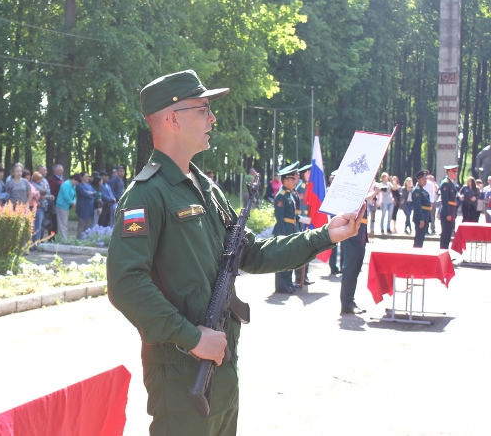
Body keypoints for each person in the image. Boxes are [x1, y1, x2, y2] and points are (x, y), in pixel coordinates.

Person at [106, 70, 361, 436]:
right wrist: (192, 337)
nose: (212, 118)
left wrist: (325, 235)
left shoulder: (207, 189)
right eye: (203, 109)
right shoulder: (146, 195)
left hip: (221, 365)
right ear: (172, 118)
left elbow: (252, 253)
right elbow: (126, 284)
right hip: (181, 372)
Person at [340, 186, 378, 314]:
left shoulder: (359, 194)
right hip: (353, 240)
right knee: (350, 270)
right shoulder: (353, 193)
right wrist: (375, 192)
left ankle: (349, 300)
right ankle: (346, 303)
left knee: (354, 271)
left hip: (359, 239)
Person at [272, 162, 301, 293]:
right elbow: (280, 218)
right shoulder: (281, 196)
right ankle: (281, 285)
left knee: (289, 257)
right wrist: (283, 235)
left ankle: (288, 282)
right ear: (286, 180)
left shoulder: (290, 194)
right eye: (292, 179)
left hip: (291, 229)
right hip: (283, 231)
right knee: (283, 258)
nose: (295, 181)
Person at [294, 163, 312, 285]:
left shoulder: (310, 187)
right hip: (301, 222)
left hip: (308, 221)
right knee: (301, 248)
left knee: (309, 247)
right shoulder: (300, 187)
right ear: (305, 173)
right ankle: (299, 276)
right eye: (309, 173)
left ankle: (304, 276)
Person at [439, 165, 459, 249]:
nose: (456, 174)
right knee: (445, 234)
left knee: (448, 234)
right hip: (447, 212)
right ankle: (443, 251)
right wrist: (447, 213)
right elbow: (445, 200)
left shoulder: (451, 183)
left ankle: (445, 252)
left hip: (451, 210)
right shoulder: (446, 183)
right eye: (454, 172)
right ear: (449, 172)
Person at [56, 173, 80, 242]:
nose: (77, 183)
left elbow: (73, 195)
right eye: (77, 181)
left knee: (65, 223)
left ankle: (64, 238)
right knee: (62, 223)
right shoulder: (66, 185)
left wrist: (74, 201)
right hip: (62, 206)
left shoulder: (73, 186)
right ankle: (63, 239)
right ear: (73, 179)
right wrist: (72, 202)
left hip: (67, 206)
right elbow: (66, 196)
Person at [411, 170, 431, 248]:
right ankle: (415, 257)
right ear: (419, 180)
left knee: (421, 238)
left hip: (425, 217)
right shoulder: (417, 191)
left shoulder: (423, 191)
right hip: (421, 218)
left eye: (426, 179)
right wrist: (421, 220)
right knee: (418, 239)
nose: (425, 181)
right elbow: (417, 207)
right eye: (423, 179)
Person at [75, 171, 96, 239]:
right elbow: (85, 194)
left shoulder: (89, 185)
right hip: (82, 209)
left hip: (90, 208)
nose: (88, 178)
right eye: (86, 176)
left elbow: (96, 193)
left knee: (88, 226)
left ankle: (85, 239)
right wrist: (91, 195)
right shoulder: (79, 185)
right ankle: (79, 240)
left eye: (88, 176)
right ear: (81, 177)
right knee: (81, 225)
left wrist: (91, 193)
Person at [31, 171, 50, 241]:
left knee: (41, 225)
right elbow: (43, 194)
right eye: (39, 179)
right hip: (38, 207)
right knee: (37, 226)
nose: (41, 181)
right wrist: (45, 187)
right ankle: (35, 241)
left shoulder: (39, 184)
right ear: (35, 179)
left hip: (43, 206)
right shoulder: (34, 185)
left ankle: (39, 240)